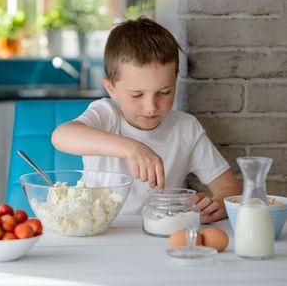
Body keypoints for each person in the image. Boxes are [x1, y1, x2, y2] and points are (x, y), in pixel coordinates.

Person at [51, 17, 241, 224]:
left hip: (159, 234)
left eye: (164, 92)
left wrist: (218, 205)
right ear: (111, 88)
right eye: (136, 95)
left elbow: (229, 188)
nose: (151, 106)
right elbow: (61, 136)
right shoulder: (107, 114)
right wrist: (131, 148)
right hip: (101, 231)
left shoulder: (186, 129)